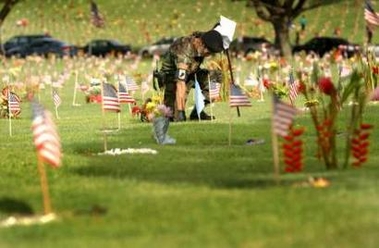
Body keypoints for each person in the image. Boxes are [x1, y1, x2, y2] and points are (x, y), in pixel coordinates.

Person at [157, 29, 224, 121]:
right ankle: (178, 111)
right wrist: (181, 112)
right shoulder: (184, 50)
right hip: (172, 78)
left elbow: (213, 34)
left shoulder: (202, 38)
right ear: (200, 43)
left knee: (216, 77)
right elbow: (180, 82)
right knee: (173, 117)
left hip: (191, 74)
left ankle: (197, 111)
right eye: (208, 52)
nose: (208, 55)